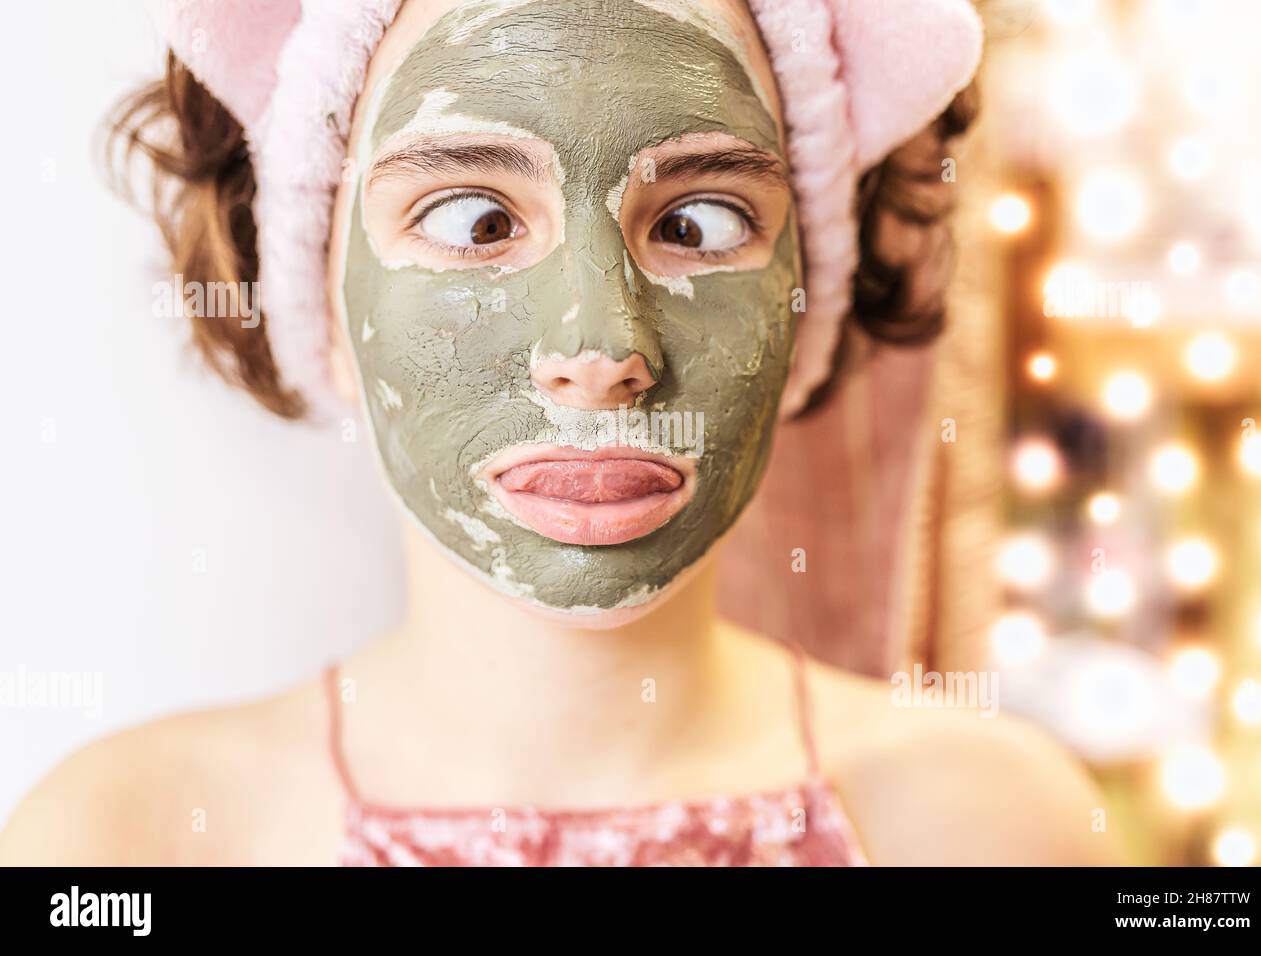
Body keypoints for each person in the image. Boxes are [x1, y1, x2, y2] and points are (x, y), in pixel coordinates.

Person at [0, 0, 1118, 866]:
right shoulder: (119, 842)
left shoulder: (995, 825)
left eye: (696, 221)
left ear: (806, 303)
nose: (597, 349)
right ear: (314, 290)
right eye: (475, 220)